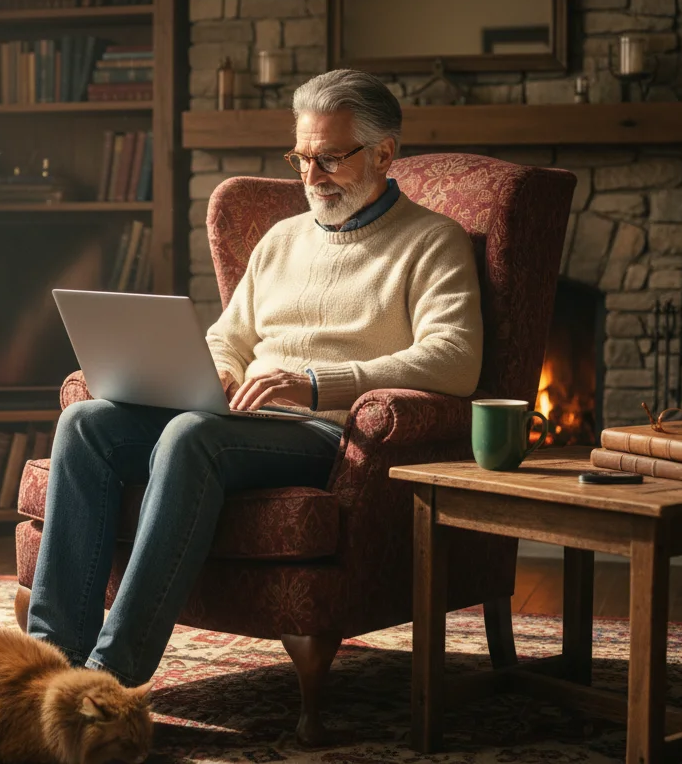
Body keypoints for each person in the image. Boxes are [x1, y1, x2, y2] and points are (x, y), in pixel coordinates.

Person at [26, 68, 484, 687]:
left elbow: (455, 356)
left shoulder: (433, 241)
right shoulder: (281, 240)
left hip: (329, 434)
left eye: (329, 159)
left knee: (192, 436)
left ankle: (110, 679)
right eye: (301, 158)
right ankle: (47, 665)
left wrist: (318, 384)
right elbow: (230, 336)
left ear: (384, 152)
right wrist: (216, 368)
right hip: (239, 415)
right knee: (86, 424)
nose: (311, 178)